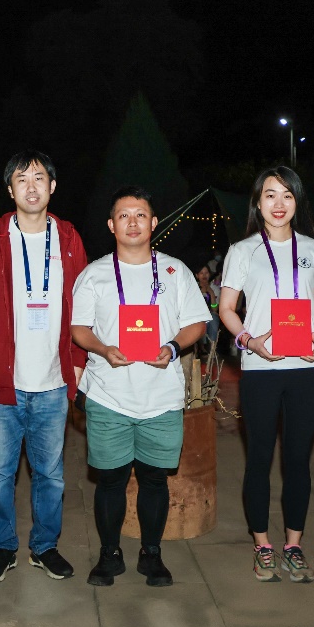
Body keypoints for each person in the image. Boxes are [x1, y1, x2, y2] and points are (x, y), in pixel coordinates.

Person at [71, 186, 211, 587]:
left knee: (154, 479)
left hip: (161, 396)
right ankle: (109, 555)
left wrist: (173, 347)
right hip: (109, 393)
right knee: (110, 480)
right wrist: (103, 349)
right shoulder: (94, 274)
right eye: (124, 215)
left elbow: (197, 323)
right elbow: (79, 328)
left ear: (153, 223)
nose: (132, 222)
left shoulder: (174, 271)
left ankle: (152, 555)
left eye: (140, 215)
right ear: (111, 225)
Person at [0, 150, 88, 583]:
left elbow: (83, 305)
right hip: (3, 379)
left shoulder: (69, 238)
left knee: (50, 475)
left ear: (52, 186)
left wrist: (79, 361)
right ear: (10, 190)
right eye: (22, 179)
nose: (31, 187)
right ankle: (2, 546)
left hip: (53, 381)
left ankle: (44, 546)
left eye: (39, 178)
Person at [217, 166, 314, 583]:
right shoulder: (242, 251)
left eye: (287, 195)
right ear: (258, 202)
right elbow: (227, 308)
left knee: (298, 460)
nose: (279, 203)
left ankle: (294, 544)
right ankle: (262, 545)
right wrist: (249, 341)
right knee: (259, 457)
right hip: (261, 368)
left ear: (297, 201)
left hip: (306, 368)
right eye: (270, 195)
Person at [194, 261, 221, 357]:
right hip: (196, 315)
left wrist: (211, 294)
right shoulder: (193, 288)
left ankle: (212, 348)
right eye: (201, 273)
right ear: (197, 275)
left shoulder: (215, 288)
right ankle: (202, 348)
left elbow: (215, 309)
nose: (204, 275)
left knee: (213, 318)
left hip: (210, 315)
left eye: (206, 273)